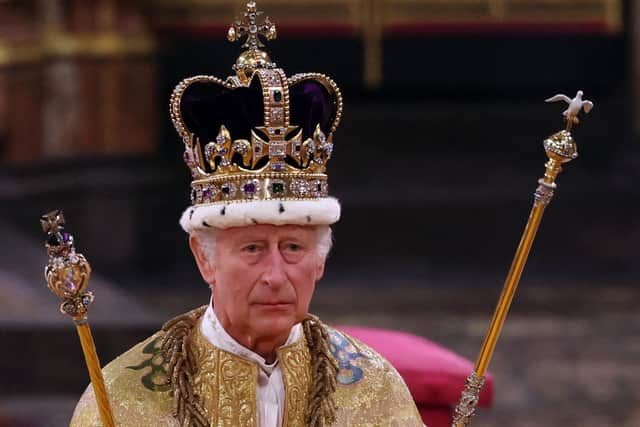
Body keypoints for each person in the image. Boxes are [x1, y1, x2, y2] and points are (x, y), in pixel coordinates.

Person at [70, 2, 423, 426]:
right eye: (253, 248)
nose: (275, 275)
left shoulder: (376, 390)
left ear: (320, 261)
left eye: (293, 247)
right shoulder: (123, 399)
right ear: (205, 259)